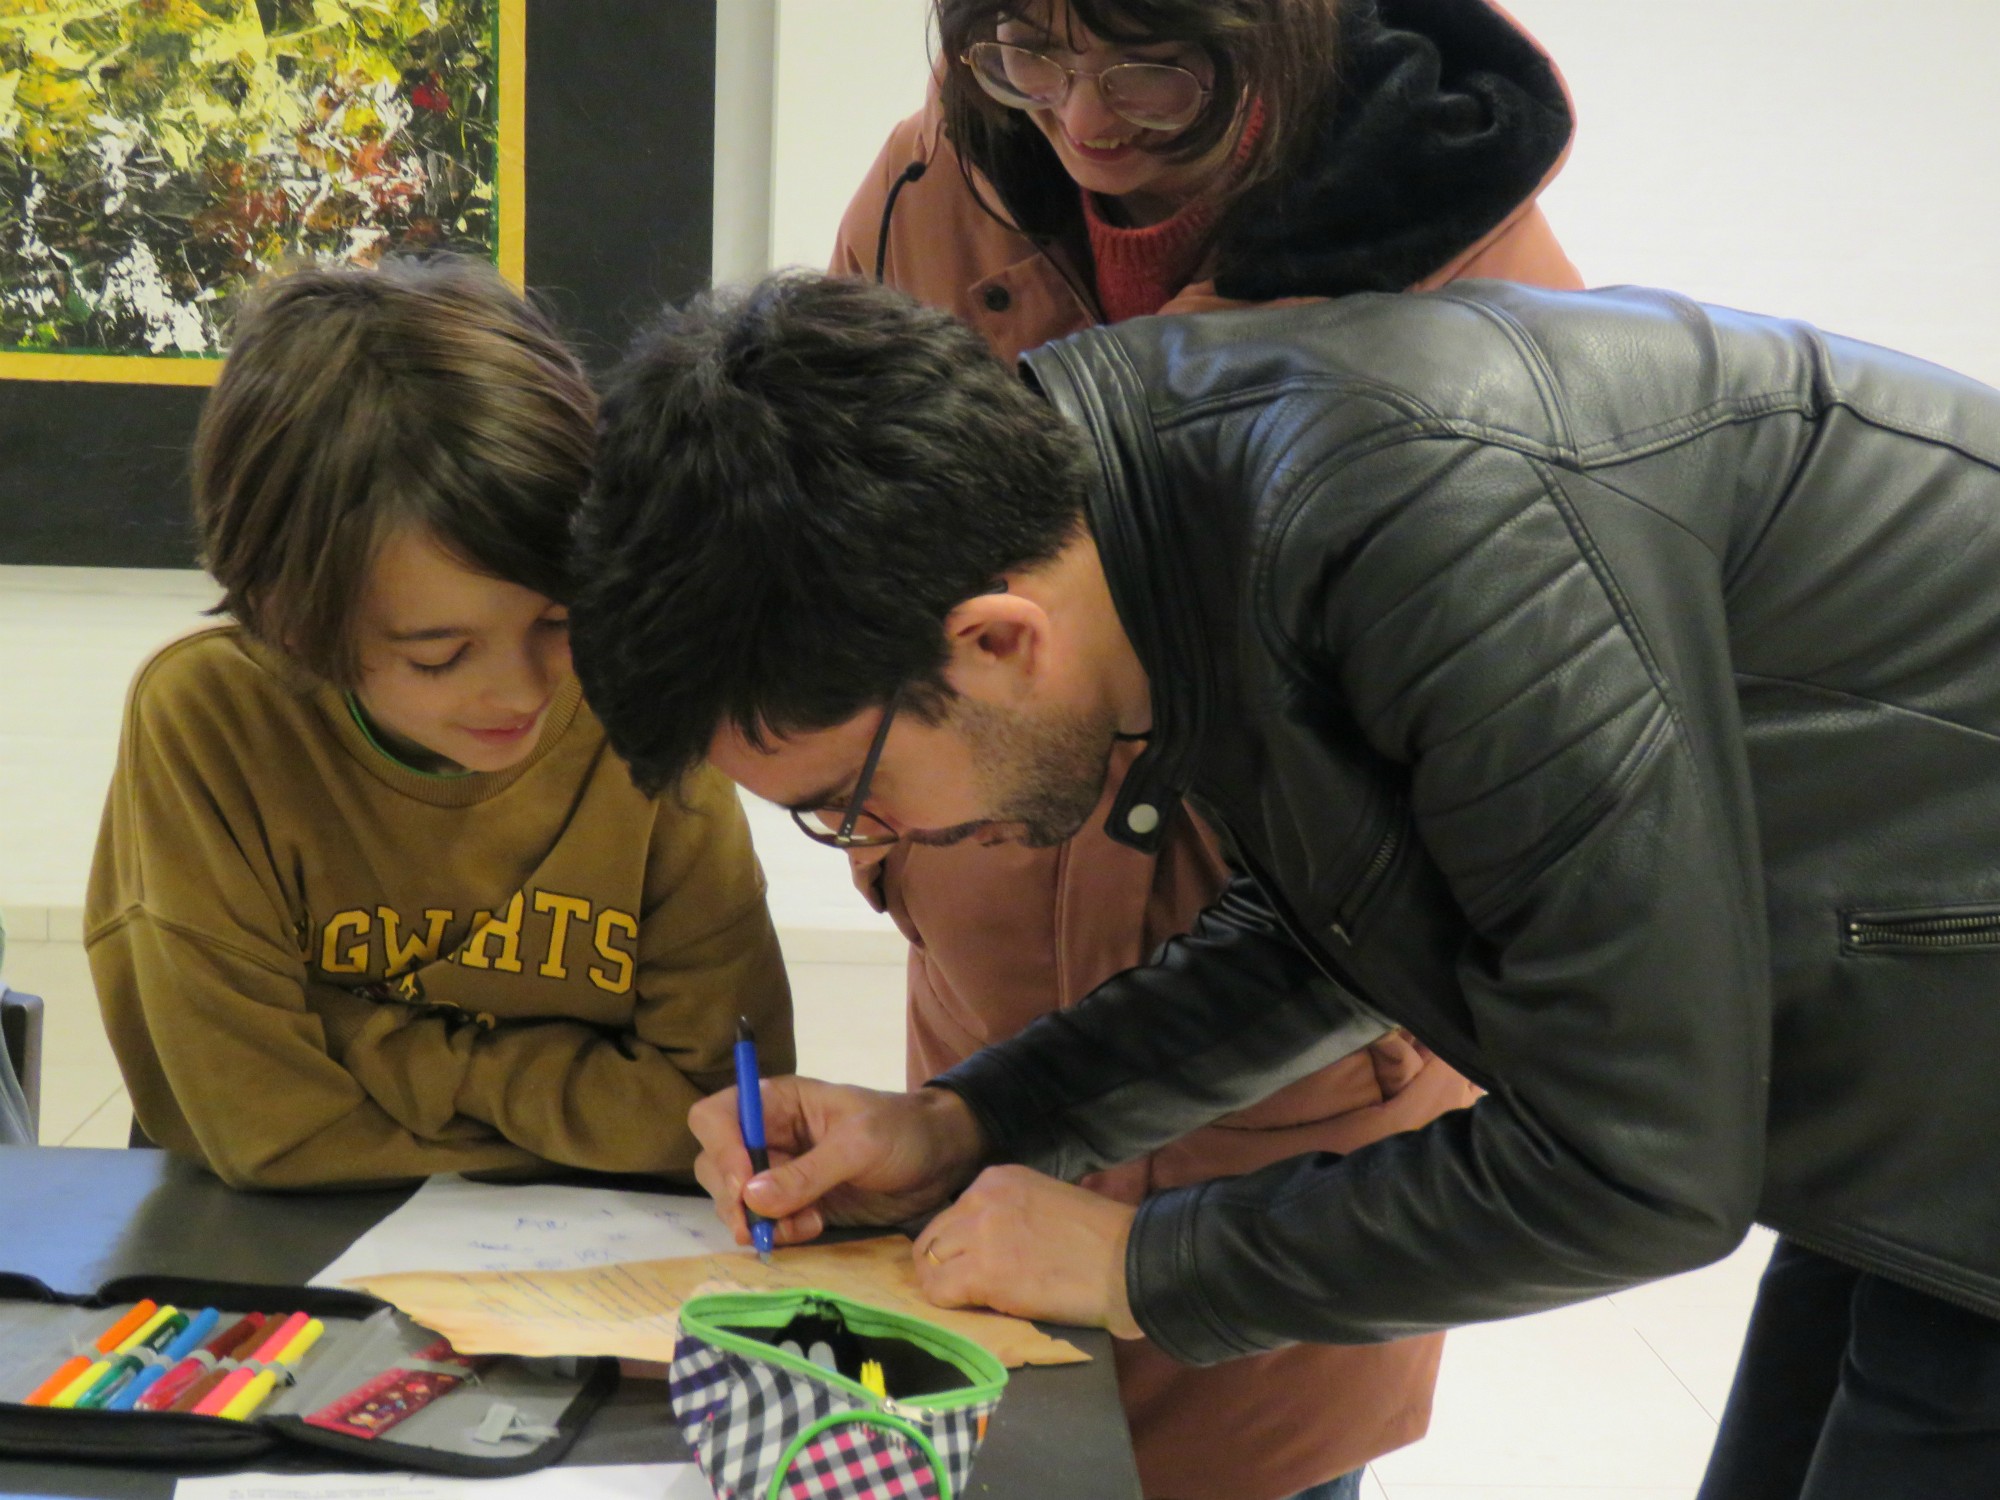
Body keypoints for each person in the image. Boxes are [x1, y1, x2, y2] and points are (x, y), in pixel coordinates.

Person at [568, 272, 2000, 1499]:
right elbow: (1351, 917)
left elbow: (1638, 1166)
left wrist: (1144, 1265)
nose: (879, 839)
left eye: (848, 800)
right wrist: (969, 1121)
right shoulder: (1139, 507)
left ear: (998, 642)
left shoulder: (1442, 535)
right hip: (1904, 1073)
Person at [831, 3, 1581, 1492]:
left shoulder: (1488, 299)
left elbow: (1493, 883)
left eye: (1149, 68)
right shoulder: (930, 189)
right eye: (1026, 55)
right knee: (998, 1458)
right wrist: (895, 856)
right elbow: (830, 555)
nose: (1082, 121)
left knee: (1257, 1463)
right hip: (986, 1030)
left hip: (1303, 1082)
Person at [85, 255, 792, 1191]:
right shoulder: (213, 720)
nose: (520, 692)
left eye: (557, 619)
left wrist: (353, 1039)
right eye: (437, 654)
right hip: (280, 1261)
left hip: (592, 1265)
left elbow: (713, 1110)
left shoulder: (635, 690)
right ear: (292, 616)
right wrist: (596, 1107)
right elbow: (270, 1136)